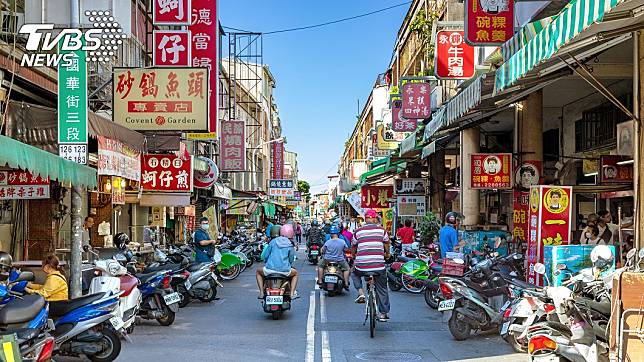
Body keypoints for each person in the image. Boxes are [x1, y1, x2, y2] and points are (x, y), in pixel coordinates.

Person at [351, 209, 391, 321]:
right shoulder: (382, 231)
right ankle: (383, 314)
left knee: (353, 273)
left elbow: (353, 246)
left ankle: (361, 293)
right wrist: (387, 254)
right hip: (378, 266)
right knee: (382, 288)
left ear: (365, 218)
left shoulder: (358, 231)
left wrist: (354, 256)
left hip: (361, 266)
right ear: (374, 218)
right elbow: (387, 243)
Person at [256, 224, 299, 299]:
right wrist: (288, 264)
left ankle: (262, 293)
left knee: (258, 272)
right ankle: (292, 294)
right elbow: (291, 259)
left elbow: (266, 255)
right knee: (295, 274)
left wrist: (266, 261)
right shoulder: (290, 244)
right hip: (284, 271)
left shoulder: (273, 241)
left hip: (269, 270)